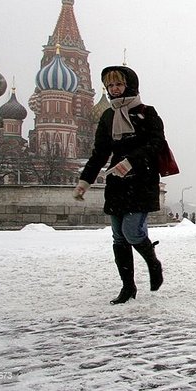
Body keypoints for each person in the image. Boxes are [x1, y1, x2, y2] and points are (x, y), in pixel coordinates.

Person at [72, 65, 165, 305]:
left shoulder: (146, 112)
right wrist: (85, 180)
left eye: (118, 84)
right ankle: (128, 287)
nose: (114, 89)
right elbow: (100, 153)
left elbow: (156, 144)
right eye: (110, 85)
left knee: (132, 231)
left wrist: (131, 162)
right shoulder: (108, 116)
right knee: (118, 237)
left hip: (142, 179)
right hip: (117, 181)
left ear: (129, 85)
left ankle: (153, 263)